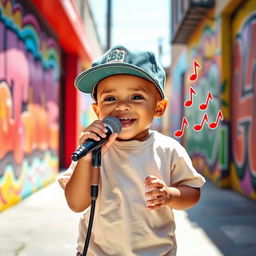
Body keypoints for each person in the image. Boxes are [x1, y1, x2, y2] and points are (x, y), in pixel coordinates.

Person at [58, 45, 206, 256]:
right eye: (110, 98)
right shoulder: (92, 149)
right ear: (97, 110)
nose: (122, 105)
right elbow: (76, 203)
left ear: (158, 108)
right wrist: (86, 160)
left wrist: (170, 195)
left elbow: (193, 192)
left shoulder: (168, 149)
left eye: (136, 97)